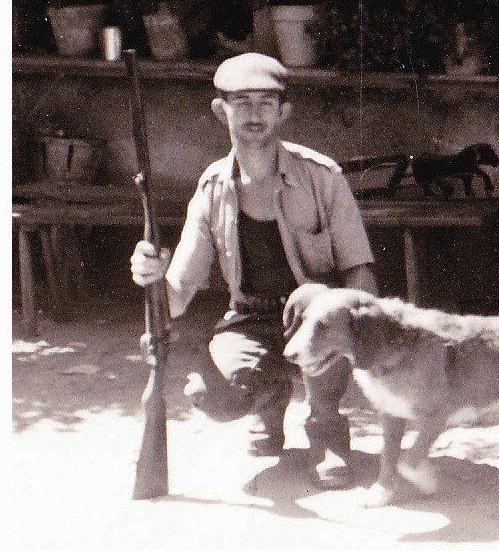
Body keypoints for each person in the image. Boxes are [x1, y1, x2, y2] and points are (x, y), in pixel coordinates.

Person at [129, 53, 377, 489]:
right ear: (220, 110)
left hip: (317, 318)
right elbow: (179, 291)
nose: (255, 114)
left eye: (266, 102)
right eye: (241, 102)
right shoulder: (211, 188)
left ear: (284, 111)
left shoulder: (323, 177)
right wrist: (151, 275)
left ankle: (327, 430)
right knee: (210, 396)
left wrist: (357, 324)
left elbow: (360, 270)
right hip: (251, 319)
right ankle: (271, 400)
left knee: (318, 304)